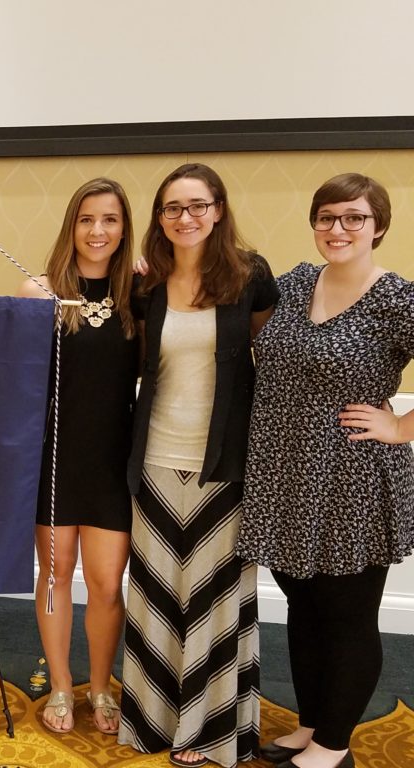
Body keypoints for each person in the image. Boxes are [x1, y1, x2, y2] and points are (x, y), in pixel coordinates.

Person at [237, 173, 413, 768]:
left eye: (354, 218)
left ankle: (335, 747)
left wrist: (399, 426)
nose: (337, 229)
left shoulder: (396, 299)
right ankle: (310, 726)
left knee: (347, 616)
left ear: (378, 227)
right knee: (304, 607)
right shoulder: (292, 284)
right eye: (327, 217)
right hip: (284, 474)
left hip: (353, 481)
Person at [119, 163, 277, 768]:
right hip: (154, 459)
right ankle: (153, 723)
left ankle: (209, 731)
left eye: (196, 205)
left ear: (218, 208)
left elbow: (268, 357)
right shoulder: (144, 284)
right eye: (171, 208)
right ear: (159, 217)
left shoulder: (250, 276)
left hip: (225, 464)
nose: (185, 218)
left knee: (216, 597)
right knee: (156, 593)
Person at [18, 178, 138, 736]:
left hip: (115, 460)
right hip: (54, 458)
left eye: (110, 220)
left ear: (124, 228)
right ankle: (62, 685)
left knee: (109, 584)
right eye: (87, 219)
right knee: (56, 574)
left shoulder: (143, 293)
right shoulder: (39, 291)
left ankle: (99, 686)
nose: (97, 231)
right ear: (72, 226)